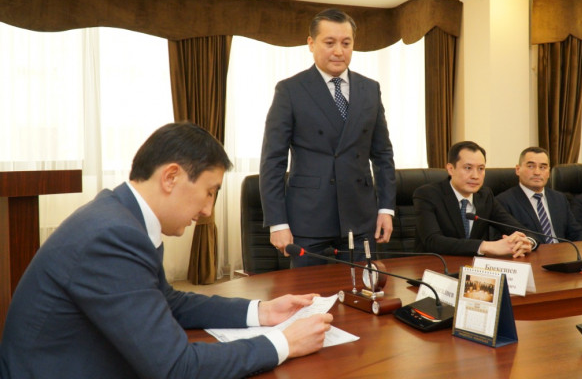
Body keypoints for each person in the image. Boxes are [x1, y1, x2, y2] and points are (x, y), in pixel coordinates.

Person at [0, 122, 333, 379]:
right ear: (171, 177)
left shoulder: (122, 214)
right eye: (209, 192)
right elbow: (176, 368)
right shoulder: (113, 236)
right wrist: (284, 342)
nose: (208, 210)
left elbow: (168, 301)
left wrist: (262, 312)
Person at [260, 8, 395, 267]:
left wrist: (386, 209)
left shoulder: (370, 89)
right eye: (330, 42)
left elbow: (383, 154)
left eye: (346, 43)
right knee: (309, 292)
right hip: (308, 218)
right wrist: (277, 222)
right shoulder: (290, 90)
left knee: (362, 288)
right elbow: (272, 160)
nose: (339, 51)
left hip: (360, 217)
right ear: (311, 43)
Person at [413, 141, 536, 257]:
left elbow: (519, 229)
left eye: (481, 169)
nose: (475, 176)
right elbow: (432, 241)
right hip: (434, 265)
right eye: (468, 168)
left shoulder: (485, 196)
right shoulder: (428, 194)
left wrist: (527, 242)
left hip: (474, 267)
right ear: (451, 169)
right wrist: (486, 246)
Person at [497, 147, 582, 244]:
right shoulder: (503, 202)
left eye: (543, 167)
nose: (537, 172)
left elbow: (576, 233)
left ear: (548, 172)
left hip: (562, 251)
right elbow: (503, 240)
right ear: (518, 169)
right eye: (531, 166)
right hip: (530, 252)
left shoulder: (559, 198)